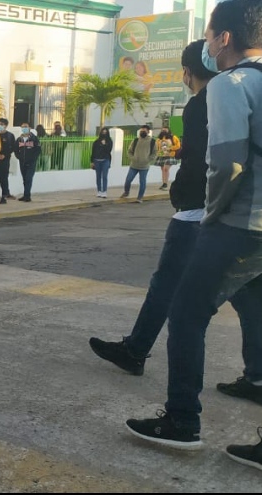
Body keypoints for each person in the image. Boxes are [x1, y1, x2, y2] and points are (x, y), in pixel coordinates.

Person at [127, 1, 262, 465]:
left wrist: (212, 215)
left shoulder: (231, 84)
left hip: (241, 223)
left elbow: (227, 163)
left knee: (186, 314)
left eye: (208, 36)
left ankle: (182, 420)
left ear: (225, 38)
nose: (206, 45)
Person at [91, 40, 220, 376]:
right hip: (237, 210)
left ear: (187, 72)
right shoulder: (237, 95)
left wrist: (179, 191)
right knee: (248, 294)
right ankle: (256, 374)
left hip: (197, 211)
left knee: (167, 287)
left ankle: (136, 351)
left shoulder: (200, 104)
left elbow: (201, 160)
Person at [122, 126, 156, 203]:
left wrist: (148, 160)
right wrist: (132, 158)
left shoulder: (152, 141)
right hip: (134, 165)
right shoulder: (136, 140)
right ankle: (126, 192)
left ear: (148, 132)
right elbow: (129, 151)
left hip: (144, 166)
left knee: (142, 182)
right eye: (141, 131)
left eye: (144, 131)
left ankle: (140, 197)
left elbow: (154, 153)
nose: (142, 132)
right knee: (128, 180)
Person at [14, 123, 41, 202]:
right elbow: (16, 149)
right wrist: (19, 157)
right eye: (22, 127)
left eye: (26, 127)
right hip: (22, 162)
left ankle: (27, 196)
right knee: (25, 179)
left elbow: (38, 150)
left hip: (31, 162)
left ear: (29, 128)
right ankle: (25, 195)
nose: (24, 128)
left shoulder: (34, 138)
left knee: (28, 178)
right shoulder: (19, 139)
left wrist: (33, 159)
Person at [0, 118, 18, 203]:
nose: (0, 126)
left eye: (2, 124)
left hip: (5, 160)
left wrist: (4, 155)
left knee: (4, 178)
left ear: (6, 126)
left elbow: (12, 147)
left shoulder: (10, 136)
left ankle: (4, 195)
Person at [155, 126, 182, 191]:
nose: (164, 131)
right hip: (161, 155)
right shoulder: (158, 139)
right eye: (163, 130)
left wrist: (170, 148)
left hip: (170, 155)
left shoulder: (173, 137)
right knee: (163, 170)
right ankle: (164, 183)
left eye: (165, 130)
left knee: (165, 168)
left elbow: (178, 146)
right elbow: (157, 147)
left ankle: (165, 184)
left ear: (169, 131)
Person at [91, 128, 114, 198]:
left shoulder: (109, 141)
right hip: (97, 161)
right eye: (103, 132)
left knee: (104, 176)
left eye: (105, 132)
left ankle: (104, 191)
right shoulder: (96, 142)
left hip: (105, 160)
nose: (104, 134)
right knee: (98, 176)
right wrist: (92, 161)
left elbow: (109, 150)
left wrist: (104, 144)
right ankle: (99, 191)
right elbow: (93, 152)